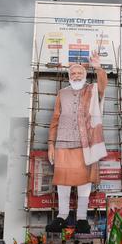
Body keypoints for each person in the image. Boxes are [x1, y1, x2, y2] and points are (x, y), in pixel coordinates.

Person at [46, 55, 108, 234]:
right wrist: (51, 144)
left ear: (86, 75)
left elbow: (103, 85)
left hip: (85, 142)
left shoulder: (93, 90)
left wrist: (98, 68)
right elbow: (55, 119)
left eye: (80, 72)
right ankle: (62, 215)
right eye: (73, 72)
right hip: (63, 143)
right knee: (63, 181)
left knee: (84, 181)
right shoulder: (62, 94)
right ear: (69, 76)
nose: (76, 75)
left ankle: (82, 217)